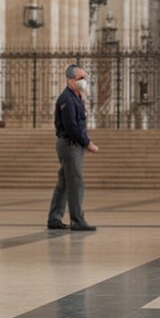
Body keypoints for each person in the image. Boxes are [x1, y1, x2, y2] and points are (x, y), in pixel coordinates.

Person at [48, 64, 99, 231]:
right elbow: (72, 127)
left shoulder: (76, 96)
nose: (84, 81)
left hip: (71, 144)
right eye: (80, 78)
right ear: (70, 80)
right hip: (70, 144)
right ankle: (77, 220)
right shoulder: (67, 99)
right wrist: (87, 143)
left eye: (84, 77)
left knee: (64, 182)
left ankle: (54, 218)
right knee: (76, 183)